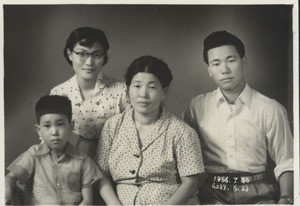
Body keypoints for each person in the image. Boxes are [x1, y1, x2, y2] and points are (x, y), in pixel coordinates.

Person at [183, 30, 294, 204]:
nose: (224, 70)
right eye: (216, 64)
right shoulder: (196, 106)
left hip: (259, 193)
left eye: (231, 60)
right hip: (211, 194)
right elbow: (184, 159)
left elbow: (287, 161)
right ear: (209, 70)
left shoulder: (271, 108)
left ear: (243, 62)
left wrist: (286, 198)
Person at [94, 55, 205, 205]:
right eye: (137, 86)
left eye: (152, 87)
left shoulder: (182, 132)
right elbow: (101, 175)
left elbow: (191, 183)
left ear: (164, 92)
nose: (143, 94)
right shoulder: (112, 126)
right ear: (127, 89)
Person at [5, 95, 102, 205]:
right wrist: (6, 195)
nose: (54, 132)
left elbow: (87, 200)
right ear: (39, 130)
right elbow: (9, 178)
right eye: (47, 126)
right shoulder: (33, 154)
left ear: (71, 126)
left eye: (60, 124)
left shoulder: (83, 161)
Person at [50, 26, 130, 157]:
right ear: (70, 54)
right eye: (82, 54)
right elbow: (49, 141)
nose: (89, 62)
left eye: (97, 55)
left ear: (104, 56)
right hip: (73, 162)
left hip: (118, 160)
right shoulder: (58, 93)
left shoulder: (122, 90)